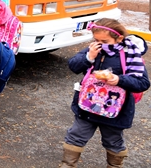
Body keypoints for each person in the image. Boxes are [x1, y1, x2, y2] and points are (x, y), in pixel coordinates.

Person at [61, 19, 150, 168]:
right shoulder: (94, 49)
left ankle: (114, 165)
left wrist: (119, 80)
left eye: (105, 41)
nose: (100, 44)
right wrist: (89, 57)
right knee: (76, 135)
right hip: (88, 105)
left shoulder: (131, 55)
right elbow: (73, 66)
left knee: (113, 140)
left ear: (119, 38)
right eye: (96, 40)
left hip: (115, 110)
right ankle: (67, 164)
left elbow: (143, 83)